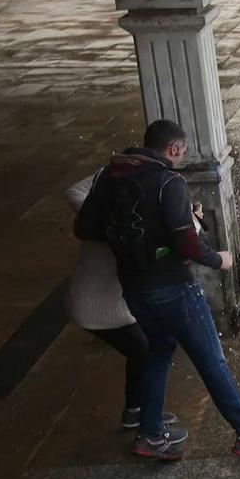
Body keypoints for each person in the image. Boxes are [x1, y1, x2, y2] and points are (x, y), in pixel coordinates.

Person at [75, 120, 240, 461]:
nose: (181, 160)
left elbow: (85, 227)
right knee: (211, 360)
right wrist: (218, 259)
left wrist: (142, 240)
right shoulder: (168, 181)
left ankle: (151, 436)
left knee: (159, 351)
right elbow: (185, 243)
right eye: (182, 154)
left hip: (134, 288)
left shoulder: (110, 176)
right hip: (172, 288)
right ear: (173, 149)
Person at [65, 175, 179, 431]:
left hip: (105, 303)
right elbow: (161, 253)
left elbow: (75, 190)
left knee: (142, 351)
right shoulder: (125, 231)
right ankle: (140, 414)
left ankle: (135, 410)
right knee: (146, 350)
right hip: (99, 309)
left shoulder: (109, 218)